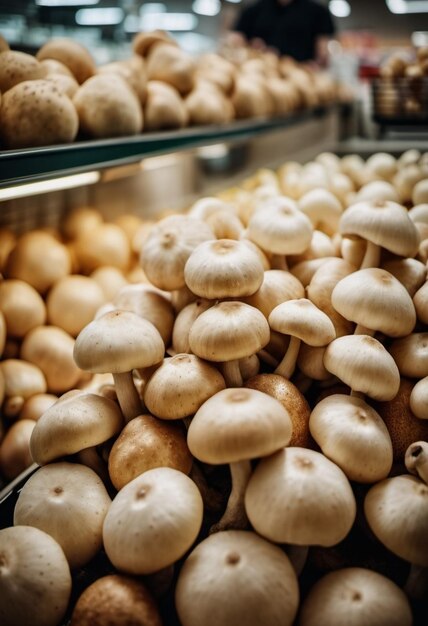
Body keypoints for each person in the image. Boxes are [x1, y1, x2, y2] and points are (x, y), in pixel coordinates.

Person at [233, 0, 336, 63]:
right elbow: (237, 43)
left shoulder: (318, 12)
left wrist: (318, 63)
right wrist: (251, 48)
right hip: (260, 73)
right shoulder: (252, 11)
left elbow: (323, 54)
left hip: (301, 75)